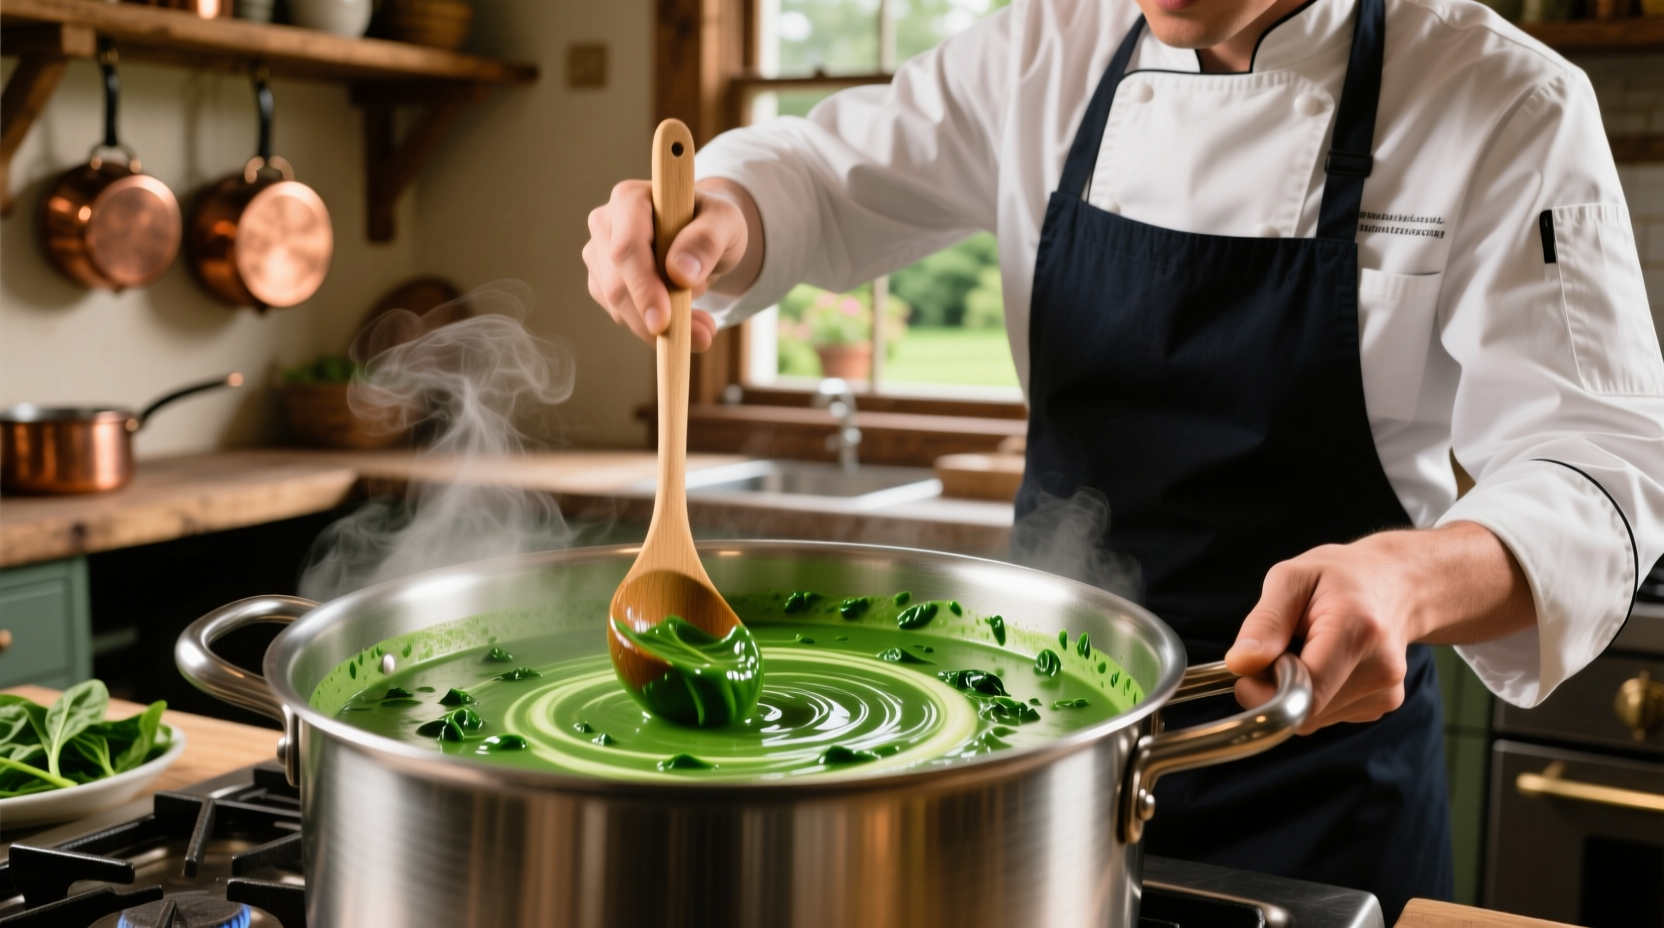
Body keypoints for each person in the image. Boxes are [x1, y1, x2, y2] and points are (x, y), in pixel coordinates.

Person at [583, 0, 1664, 918]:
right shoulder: (1045, 44)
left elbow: (1601, 463)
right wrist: (719, 214)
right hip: (1029, 753)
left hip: (1318, 753)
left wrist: (1410, 577)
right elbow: (822, 178)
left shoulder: (1499, 100)